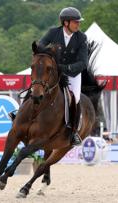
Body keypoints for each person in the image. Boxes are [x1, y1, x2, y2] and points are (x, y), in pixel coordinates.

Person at [38, 7, 88, 146]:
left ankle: (73, 132)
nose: (78, 24)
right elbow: (40, 45)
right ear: (66, 23)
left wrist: (65, 69)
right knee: (36, 86)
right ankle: (20, 115)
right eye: (75, 22)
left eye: (78, 22)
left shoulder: (81, 38)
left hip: (72, 74)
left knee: (75, 98)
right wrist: (49, 59)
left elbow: (83, 62)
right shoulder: (53, 32)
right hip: (53, 72)